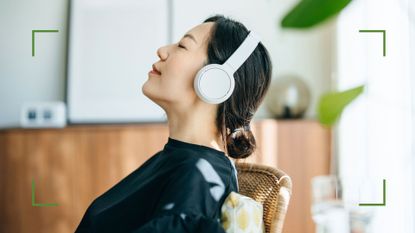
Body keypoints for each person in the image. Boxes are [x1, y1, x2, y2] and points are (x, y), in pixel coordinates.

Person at [75, 14, 272, 233]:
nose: (162, 50)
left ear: (214, 80)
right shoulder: (183, 161)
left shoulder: (198, 176)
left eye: (182, 45)